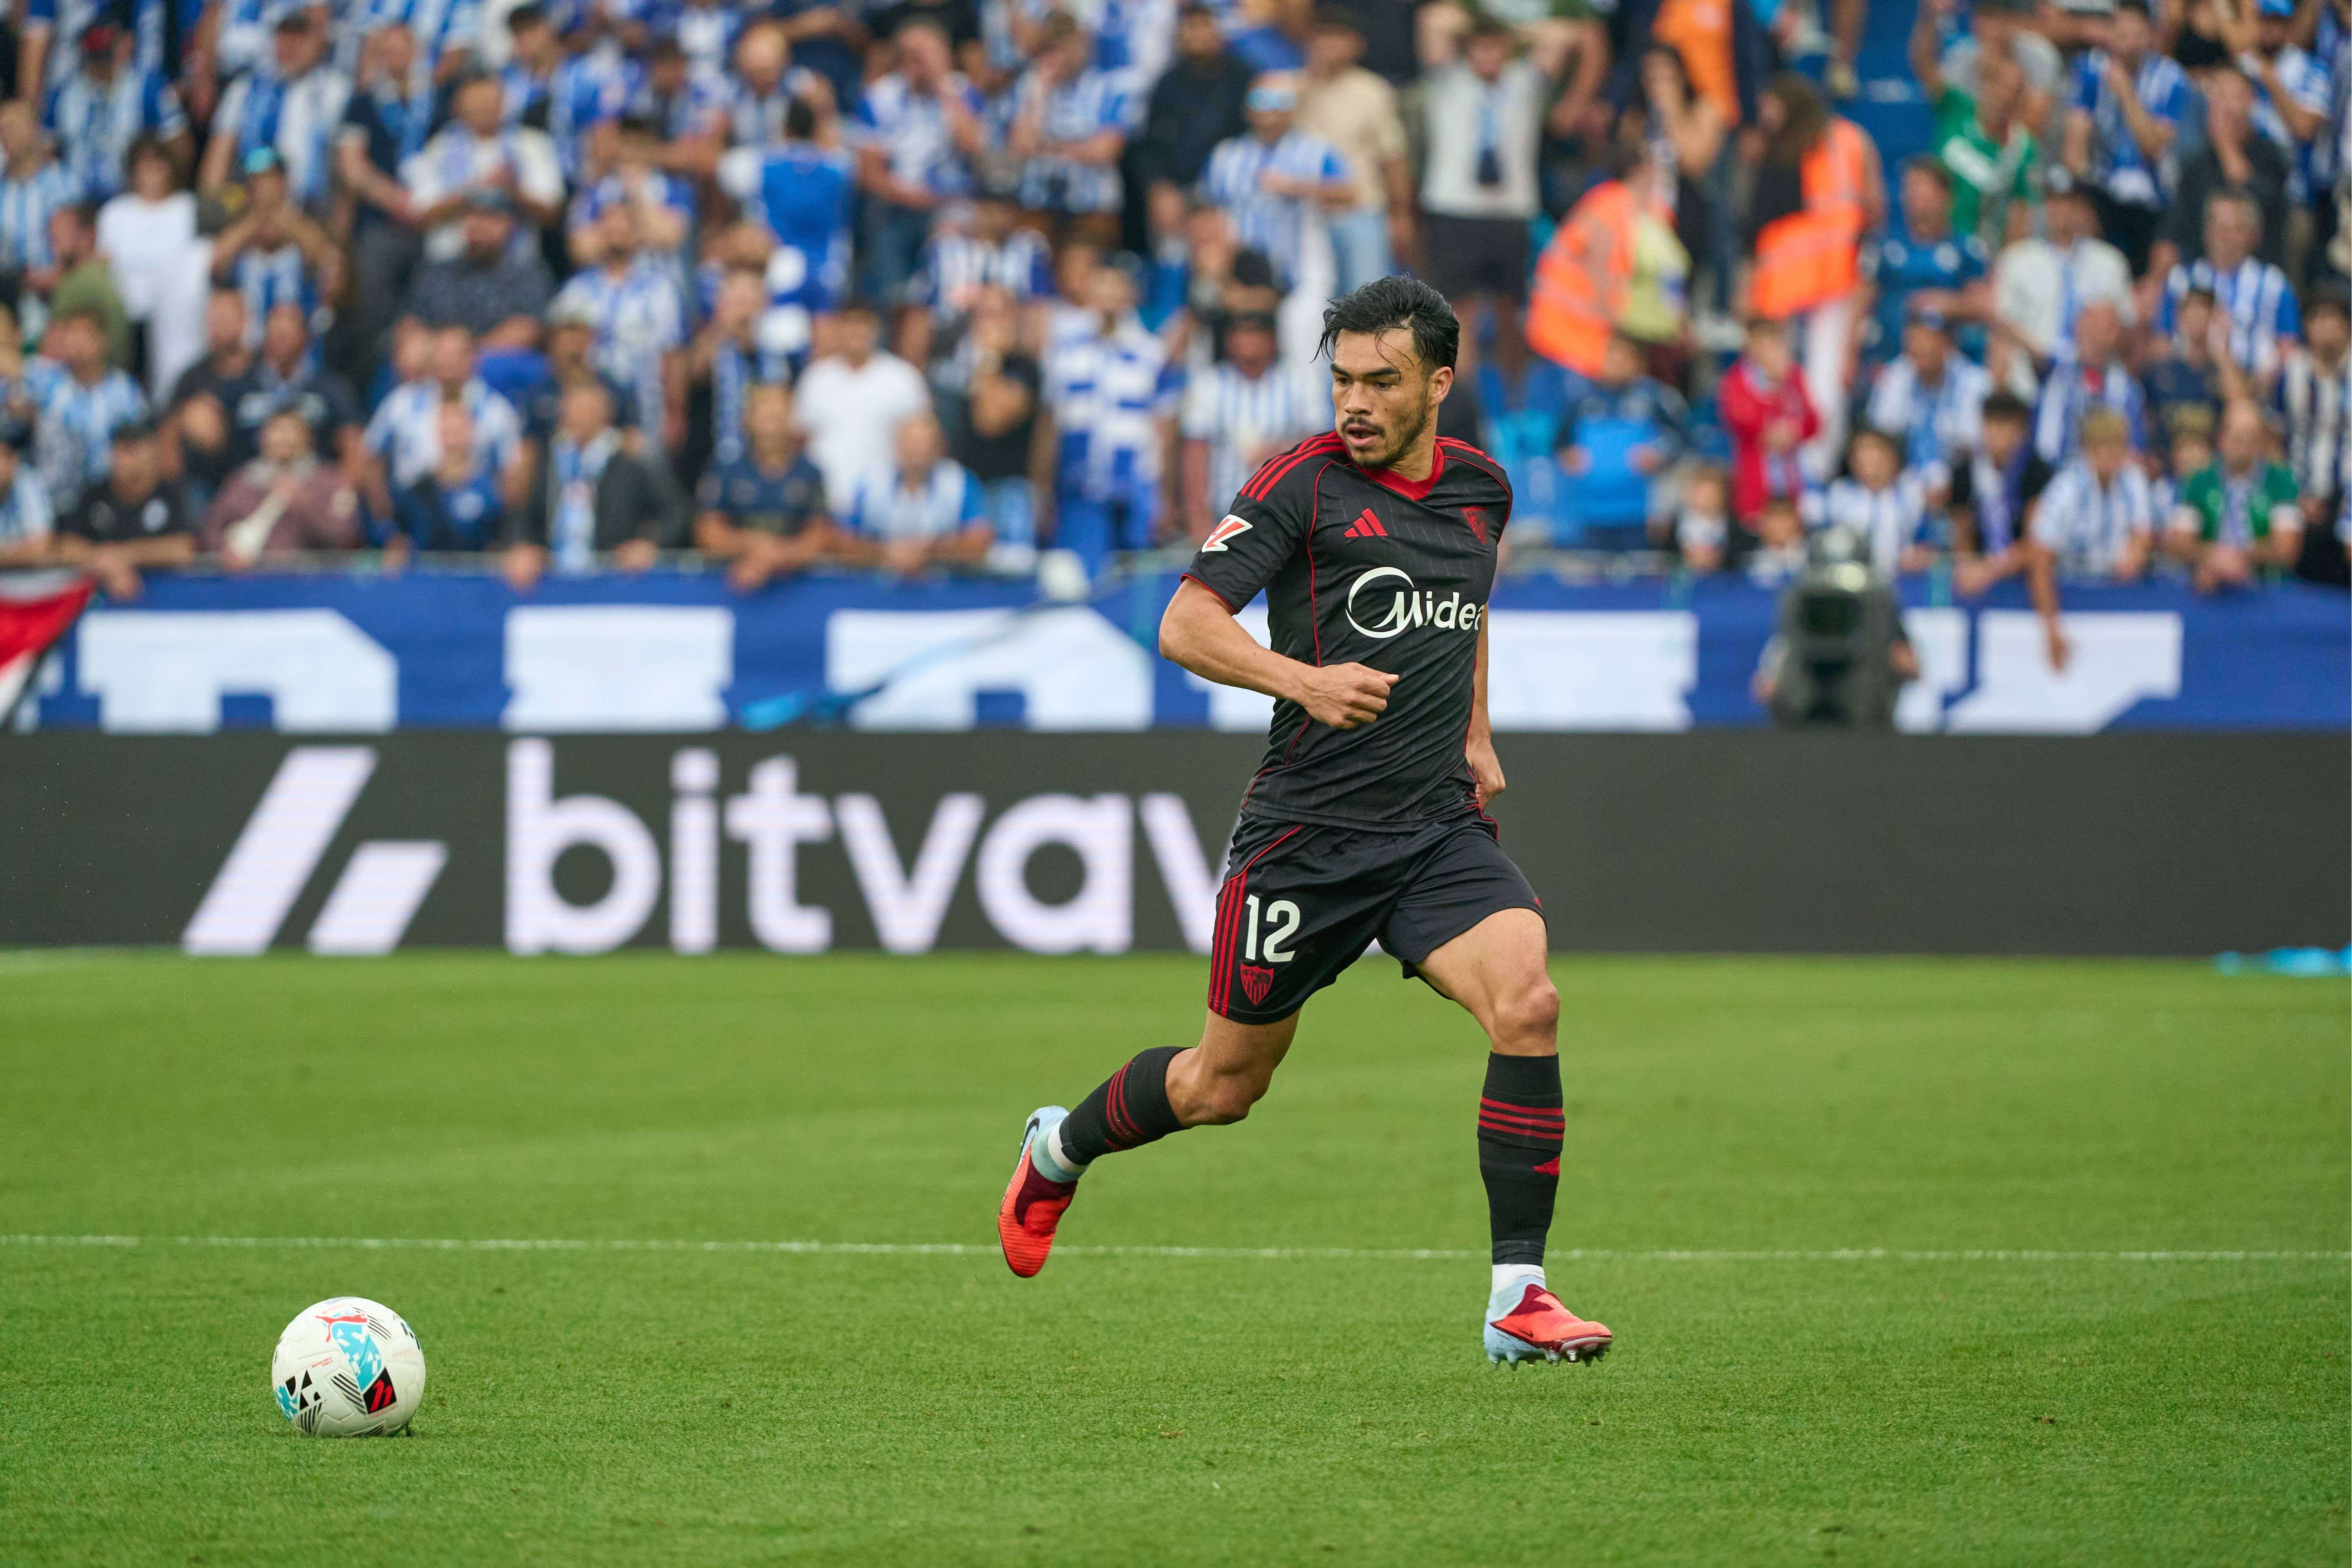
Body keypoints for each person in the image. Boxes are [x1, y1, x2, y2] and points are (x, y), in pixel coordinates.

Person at [995, 275, 1615, 1373]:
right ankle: (1057, 1145)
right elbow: (1184, 623)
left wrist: (1473, 729)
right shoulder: (1301, 484)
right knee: (1220, 1087)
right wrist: (1307, 681)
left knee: (1528, 1000)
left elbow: (1463, 612)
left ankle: (1516, 1296)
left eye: (1381, 381)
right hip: (1304, 839)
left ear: (1438, 382)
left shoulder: (1483, 490)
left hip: (1429, 825)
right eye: (1341, 380)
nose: (1356, 403)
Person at [1747, 72, 1882, 476]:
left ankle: (1816, 473)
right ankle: (1780, 477)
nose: (1766, 115)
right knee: (1776, 381)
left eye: (1772, 105)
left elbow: (1871, 209)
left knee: (1825, 381)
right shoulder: (1772, 151)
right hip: (1782, 290)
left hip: (1833, 283)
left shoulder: (1845, 140)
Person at [1416, 19, 1548, 382]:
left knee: (1512, 311)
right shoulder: (1447, 80)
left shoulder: (1524, 82)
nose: (1489, 55)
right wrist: (1471, 23)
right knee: (1460, 313)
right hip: (1455, 207)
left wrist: (1513, 30)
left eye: (1496, 48)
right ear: (1468, 49)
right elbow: (1434, 27)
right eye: (1481, 47)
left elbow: (1560, 39)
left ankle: (1515, 404)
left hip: (1511, 209)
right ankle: (1464, 403)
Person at [1039, 254, 1178, 574]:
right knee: (1079, 586)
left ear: (1132, 295)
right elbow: (1049, 427)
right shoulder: (1064, 353)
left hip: (1136, 492)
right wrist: (1043, 491)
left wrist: (1165, 499)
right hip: (1079, 491)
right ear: (1088, 292)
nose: (1110, 296)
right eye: (1102, 286)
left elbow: (1164, 431)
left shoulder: (1152, 354)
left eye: (1118, 287)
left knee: (1133, 588)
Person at [848, 21, 985, 303]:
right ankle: (892, 305)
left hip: (952, 206)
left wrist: (944, 91)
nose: (919, 62)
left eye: (927, 55)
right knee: (892, 284)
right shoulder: (879, 97)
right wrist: (910, 196)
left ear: (945, 56)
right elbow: (869, 172)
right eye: (911, 55)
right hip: (896, 204)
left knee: (957, 250)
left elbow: (973, 147)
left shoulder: (964, 91)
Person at [505, 379, 681, 590]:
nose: (574, 417)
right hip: (554, 580)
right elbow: (526, 513)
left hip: (617, 579)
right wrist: (524, 546)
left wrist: (651, 545)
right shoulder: (554, 459)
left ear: (605, 414)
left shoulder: (629, 459)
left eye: (584, 410)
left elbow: (677, 510)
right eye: (570, 409)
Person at [2061, 0, 2190, 272]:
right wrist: (2080, 193)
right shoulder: (2090, 69)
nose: (2127, 42)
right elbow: (2076, 138)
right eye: (2121, 32)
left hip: (2154, 199)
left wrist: (2125, 92)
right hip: (2103, 193)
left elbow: (2154, 145)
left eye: (2136, 34)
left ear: (2150, 36)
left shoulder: (2171, 78)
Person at [548, 201, 687, 448]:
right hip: (593, 399)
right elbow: (560, 354)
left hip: (645, 400)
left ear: (638, 234)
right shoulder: (576, 291)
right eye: (610, 225)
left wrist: (675, 412)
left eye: (625, 226)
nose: (617, 232)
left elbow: (672, 354)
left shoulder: (660, 290)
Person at [1199, 74, 1353, 293]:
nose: (1269, 108)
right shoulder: (1225, 155)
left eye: (1281, 100)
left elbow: (1349, 194)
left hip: (1303, 271)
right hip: (1239, 274)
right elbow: (1206, 210)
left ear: (1294, 108)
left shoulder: (1317, 152)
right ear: (1246, 107)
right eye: (1260, 99)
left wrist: (1295, 187)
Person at [1297, 6, 1413, 291]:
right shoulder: (1295, 88)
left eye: (1339, 37)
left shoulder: (1373, 91)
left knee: (1366, 304)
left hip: (1362, 210)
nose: (1330, 44)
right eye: (1323, 36)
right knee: (1313, 308)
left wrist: (1400, 216)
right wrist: (1310, 77)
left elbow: (1393, 158)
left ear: (1357, 45)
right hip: (1306, 216)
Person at [1180, 309, 1322, 538]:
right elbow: (1195, 457)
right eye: (1244, 334)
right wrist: (1199, 521)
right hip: (1226, 512)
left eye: (1258, 334)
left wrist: (1280, 452)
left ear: (1272, 339)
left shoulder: (1298, 383)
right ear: (1230, 340)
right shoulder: (1210, 385)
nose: (1251, 343)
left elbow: (1320, 445)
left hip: (1287, 513)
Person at [200, 12, 351, 212]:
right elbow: (220, 153)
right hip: (250, 205)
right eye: (285, 38)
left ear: (318, 44)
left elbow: (347, 161)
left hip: (310, 209)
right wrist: (212, 208)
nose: (291, 47)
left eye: (300, 39)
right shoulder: (246, 88)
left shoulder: (337, 90)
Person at [794, 296, 932, 512]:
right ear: (838, 328)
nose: (856, 331)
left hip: (884, 504)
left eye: (863, 323)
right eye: (849, 323)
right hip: (824, 501)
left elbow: (923, 441)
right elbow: (799, 439)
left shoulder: (903, 378)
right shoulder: (815, 379)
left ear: (877, 329)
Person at [2159, 187, 2302, 393]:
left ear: (2252, 234)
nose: (2224, 237)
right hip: (2189, 393)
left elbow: (2288, 348)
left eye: (2235, 229)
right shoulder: (2180, 280)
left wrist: (2257, 386)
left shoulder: (2274, 284)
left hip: (2256, 392)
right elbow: (2162, 342)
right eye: (2218, 227)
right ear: (2206, 230)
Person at [694, 380, 834, 590]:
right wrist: (751, 546)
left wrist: (775, 558)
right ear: (748, 419)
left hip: (798, 590)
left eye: (777, 415)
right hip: (733, 588)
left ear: (791, 420)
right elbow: (707, 531)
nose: (771, 423)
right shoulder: (726, 470)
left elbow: (819, 535)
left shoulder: (810, 474)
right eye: (764, 414)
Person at [1554, 331, 1686, 551]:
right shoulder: (1582, 400)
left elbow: (1683, 440)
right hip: (1590, 514)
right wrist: (1568, 456)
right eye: (1610, 357)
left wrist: (1660, 454)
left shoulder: (1656, 399)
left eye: (1623, 358)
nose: (1616, 364)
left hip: (1640, 515)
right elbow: (1559, 444)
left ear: (1637, 363)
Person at [2153, 66, 2291, 276]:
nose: (2225, 106)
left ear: (2250, 102)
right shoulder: (2197, 163)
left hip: (2256, 270)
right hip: (2200, 272)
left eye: (2233, 97)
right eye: (2218, 96)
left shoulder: (2270, 155)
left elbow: (2268, 210)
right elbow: (2177, 222)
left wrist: (2226, 147)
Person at [96, 136, 202, 400]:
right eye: (144, 165)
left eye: (158, 164)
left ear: (170, 168)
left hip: (175, 314)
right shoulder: (115, 212)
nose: (151, 172)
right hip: (125, 312)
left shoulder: (187, 208)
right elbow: (104, 263)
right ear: (132, 171)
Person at [1007, 13, 1134, 228]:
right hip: (1037, 203)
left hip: (1092, 205)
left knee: (1081, 253)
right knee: (1027, 242)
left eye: (1064, 47)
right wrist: (1040, 94)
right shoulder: (1029, 87)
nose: (1060, 56)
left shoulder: (1108, 89)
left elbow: (1105, 151)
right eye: (1051, 48)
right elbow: (1020, 147)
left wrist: (1046, 147)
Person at [1862, 160, 1990, 372]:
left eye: (1923, 186)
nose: (1915, 195)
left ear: (1945, 196)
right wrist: (1848, 353)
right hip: (1891, 365)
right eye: (1909, 187)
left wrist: (1947, 304)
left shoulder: (1968, 250)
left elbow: (1984, 306)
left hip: (1951, 369)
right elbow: (1862, 299)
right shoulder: (1884, 249)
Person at [2166, 396, 2303, 591]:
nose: (2243, 446)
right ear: (2222, 438)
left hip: (2268, 588)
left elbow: (2287, 549)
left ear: (2261, 442)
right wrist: (2215, 557)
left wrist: (2241, 558)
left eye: (2251, 438)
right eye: (2237, 437)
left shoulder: (2281, 480)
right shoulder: (2199, 479)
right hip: (2210, 587)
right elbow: (2179, 543)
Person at [1991, 183, 2133, 371]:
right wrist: (2039, 353)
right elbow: (2000, 320)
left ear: (2083, 209)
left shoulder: (2110, 261)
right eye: (2053, 202)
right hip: (2031, 375)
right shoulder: (2016, 258)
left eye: (2068, 203)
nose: (2060, 210)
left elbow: (2127, 323)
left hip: (2093, 375)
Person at [42, 23, 188, 204]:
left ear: (122, 48)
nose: (102, 66)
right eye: (95, 58)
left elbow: (179, 144)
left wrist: (162, 194)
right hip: (77, 202)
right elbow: (45, 151)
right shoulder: (63, 94)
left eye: (106, 57)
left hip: (132, 199)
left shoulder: (147, 87)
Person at [198, 407, 365, 566]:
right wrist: (227, 553)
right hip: (253, 580)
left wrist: (305, 504)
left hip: (310, 581)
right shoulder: (244, 481)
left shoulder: (328, 481)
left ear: (308, 437)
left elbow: (345, 536)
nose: (285, 437)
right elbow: (211, 529)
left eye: (292, 430)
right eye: (277, 430)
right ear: (263, 437)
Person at [54, 415, 192, 599]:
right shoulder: (96, 496)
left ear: (152, 452)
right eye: (116, 450)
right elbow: (66, 547)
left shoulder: (170, 495)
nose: (121, 459)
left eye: (130, 450)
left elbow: (182, 549)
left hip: (165, 605)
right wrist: (106, 563)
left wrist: (123, 556)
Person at [22, 306, 145, 511]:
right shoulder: (46, 379)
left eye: (85, 333)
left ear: (103, 341)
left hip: (108, 502)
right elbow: (10, 365)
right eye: (70, 333)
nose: (76, 341)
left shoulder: (125, 391)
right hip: (50, 503)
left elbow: (142, 449)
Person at [843, 410, 993, 575]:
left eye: (924, 442)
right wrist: (885, 552)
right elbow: (842, 540)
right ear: (897, 446)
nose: (917, 450)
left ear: (940, 447)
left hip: (946, 583)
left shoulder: (960, 482)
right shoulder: (870, 483)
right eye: (911, 442)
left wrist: (930, 551)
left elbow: (980, 540)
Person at [401, 189, 555, 347]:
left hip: (493, 361)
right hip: (438, 357)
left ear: (509, 224)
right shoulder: (438, 270)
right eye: (472, 215)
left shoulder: (528, 272)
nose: (478, 224)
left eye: (489, 216)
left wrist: (465, 354)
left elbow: (528, 329)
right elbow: (411, 322)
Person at [1865, 308, 1989, 501]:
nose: (1923, 346)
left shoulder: (1974, 382)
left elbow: (1972, 444)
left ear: (1948, 343)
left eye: (1931, 338)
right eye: (1916, 339)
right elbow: (1881, 436)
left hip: (1961, 487)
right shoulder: (1894, 378)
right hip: (1902, 483)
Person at [1949, 388, 2056, 596]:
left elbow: (2035, 542)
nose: (1996, 433)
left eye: (2004, 425)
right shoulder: (1964, 473)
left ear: (2021, 431)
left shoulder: (2038, 472)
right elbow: (1962, 535)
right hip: (1980, 570)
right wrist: (1970, 566)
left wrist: (1990, 570)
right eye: (1990, 424)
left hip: (2023, 573)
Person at [1716, 316, 1815, 528]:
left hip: (1793, 483)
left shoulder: (1794, 376)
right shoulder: (1736, 380)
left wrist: (1794, 431)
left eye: (1774, 343)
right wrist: (1773, 391)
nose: (1768, 350)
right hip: (1756, 482)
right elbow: (1740, 421)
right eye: (1762, 343)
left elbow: (1813, 422)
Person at [1802, 426, 1934, 580]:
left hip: (1903, 581)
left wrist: (1922, 554)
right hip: (1850, 583)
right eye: (1862, 451)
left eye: (1876, 450)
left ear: (1893, 457)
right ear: (1852, 460)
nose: (1869, 458)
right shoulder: (1837, 495)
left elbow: (1929, 541)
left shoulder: (1912, 493)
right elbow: (1820, 542)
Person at [2032, 300, 2148, 467]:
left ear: (2116, 334)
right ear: (2077, 327)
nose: (2096, 336)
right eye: (2091, 326)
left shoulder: (2129, 390)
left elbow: (2134, 449)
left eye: (2104, 329)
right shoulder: (2055, 370)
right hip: (2054, 473)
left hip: (2109, 480)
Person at [2277, 283, 2348, 546]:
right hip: (2298, 493)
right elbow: (2274, 437)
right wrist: (2293, 494)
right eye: (2318, 317)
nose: (2325, 325)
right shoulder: (2292, 372)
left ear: (2347, 326)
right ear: (2307, 326)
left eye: (2333, 317)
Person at [390, 401, 508, 555]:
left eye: (459, 432)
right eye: (447, 433)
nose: (453, 441)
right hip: (429, 576)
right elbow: (401, 538)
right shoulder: (418, 491)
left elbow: (501, 542)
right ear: (438, 433)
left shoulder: (492, 490)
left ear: (471, 431)